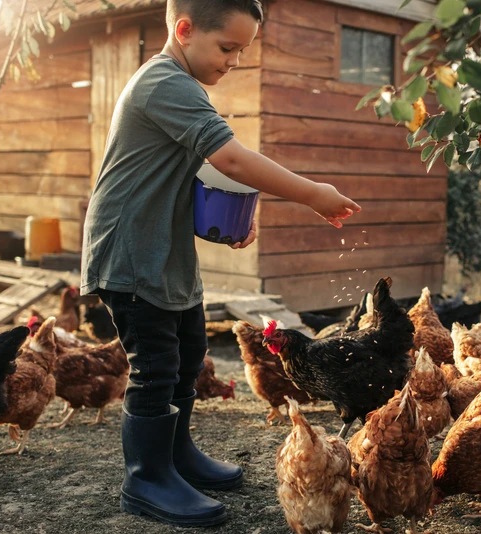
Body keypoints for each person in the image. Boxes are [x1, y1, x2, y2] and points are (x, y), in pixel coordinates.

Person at [80, 0, 360, 526]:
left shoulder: (184, 88)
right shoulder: (162, 82)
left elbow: (185, 172)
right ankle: (145, 478)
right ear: (184, 30)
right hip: (132, 251)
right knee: (156, 366)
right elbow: (230, 157)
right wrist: (312, 193)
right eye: (228, 47)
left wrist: (233, 214)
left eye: (242, 50)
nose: (234, 60)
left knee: (188, 356)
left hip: (165, 251)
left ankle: (176, 455)